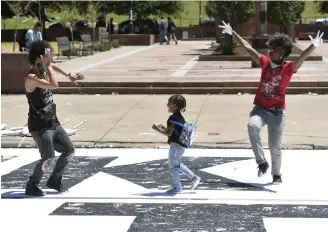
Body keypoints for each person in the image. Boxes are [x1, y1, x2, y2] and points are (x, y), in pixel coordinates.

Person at [219, 21, 324, 184]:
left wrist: (313, 46)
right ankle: (262, 162)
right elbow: (248, 48)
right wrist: (234, 33)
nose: (270, 51)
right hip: (260, 109)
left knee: (275, 146)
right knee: (252, 126)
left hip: (277, 112)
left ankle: (276, 175)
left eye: (274, 50)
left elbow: (302, 57)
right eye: (271, 48)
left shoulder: (289, 68)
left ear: (281, 53)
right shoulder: (265, 63)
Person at [24, 40, 85, 196]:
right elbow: (54, 85)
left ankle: (54, 179)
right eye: (48, 56)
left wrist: (67, 74)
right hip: (39, 125)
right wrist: (49, 66)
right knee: (48, 156)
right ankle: (32, 184)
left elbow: (54, 66)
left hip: (53, 121)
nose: (51, 59)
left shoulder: (44, 67)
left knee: (69, 151)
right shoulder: (32, 78)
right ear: (39, 59)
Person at [152, 94, 201, 194]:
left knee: (173, 166)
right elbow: (173, 131)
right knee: (175, 164)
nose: (167, 105)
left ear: (174, 106)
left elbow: (168, 134)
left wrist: (157, 129)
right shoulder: (180, 118)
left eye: (169, 103)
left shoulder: (171, 118)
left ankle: (178, 187)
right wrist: (163, 127)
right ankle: (192, 178)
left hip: (175, 145)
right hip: (180, 145)